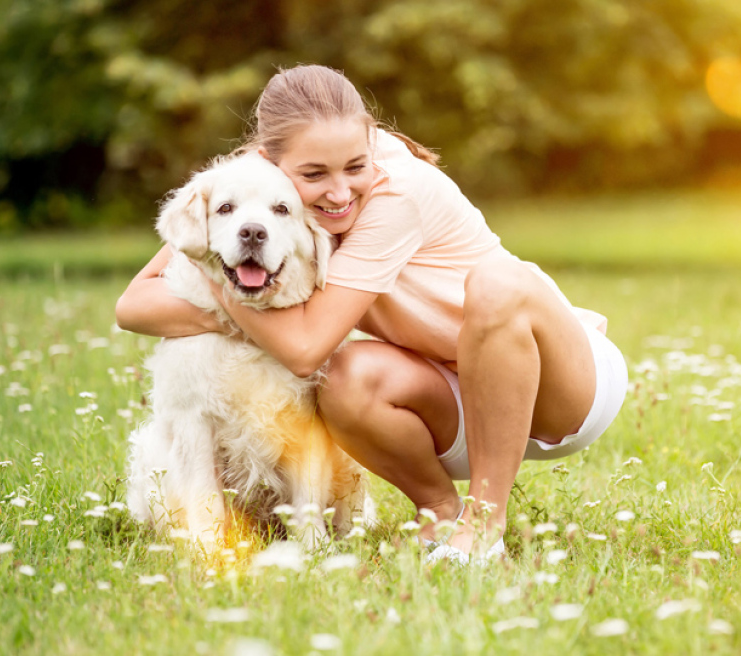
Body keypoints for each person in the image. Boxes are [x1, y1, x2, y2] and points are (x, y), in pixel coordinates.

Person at [115, 64, 627, 563]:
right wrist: (222, 262)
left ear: (371, 144)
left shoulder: (397, 193)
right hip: (453, 397)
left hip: (559, 390)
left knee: (497, 284)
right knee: (343, 377)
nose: (339, 192)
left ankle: (484, 528)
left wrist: (221, 275)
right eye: (314, 174)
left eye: (355, 167)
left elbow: (302, 349)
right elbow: (135, 303)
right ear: (271, 161)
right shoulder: (256, 189)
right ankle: (439, 511)